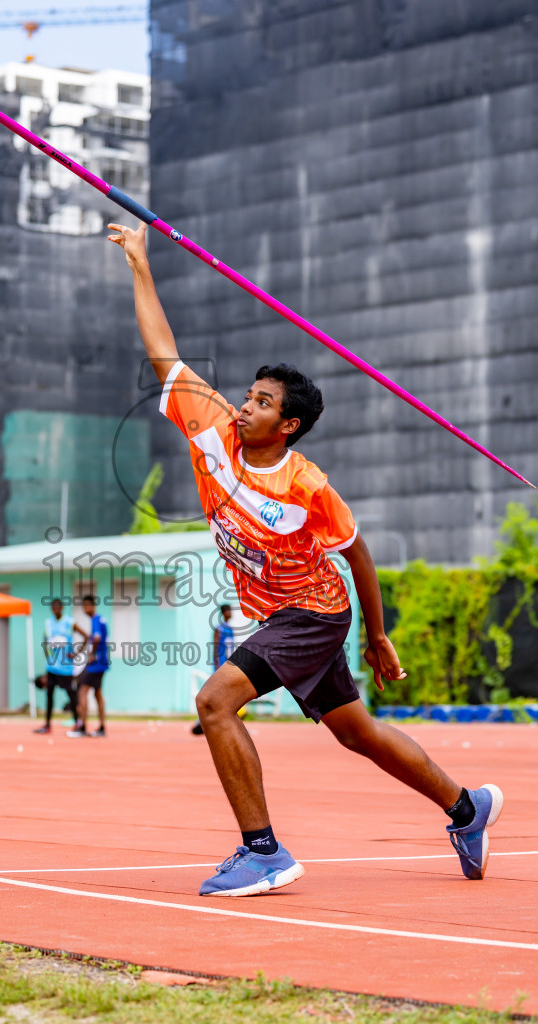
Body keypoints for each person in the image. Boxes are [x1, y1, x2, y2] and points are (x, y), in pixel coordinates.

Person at [108, 220, 503, 896]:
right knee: (357, 734)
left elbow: (358, 555)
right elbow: (161, 353)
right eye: (248, 393)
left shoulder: (307, 487)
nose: (244, 405)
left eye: (261, 402)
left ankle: (261, 851)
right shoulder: (210, 431)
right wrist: (140, 263)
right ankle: (467, 810)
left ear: (285, 426)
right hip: (284, 615)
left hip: (313, 612)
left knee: (214, 702)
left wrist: (376, 636)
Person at [34, 598, 83, 734]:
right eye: (53, 608)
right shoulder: (48, 623)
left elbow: (86, 636)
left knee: (71, 695)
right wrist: (48, 656)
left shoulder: (69, 622)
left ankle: (77, 722)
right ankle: (47, 724)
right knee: (49, 695)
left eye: (58, 607)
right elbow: (45, 640)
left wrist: (76, 653)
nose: (55, 610)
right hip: (51, 667)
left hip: (65, 667)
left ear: (61, 608)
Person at [67, 594, 109, 738]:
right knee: (97, 694)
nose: (85, 609)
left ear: (92, 606)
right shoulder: (101, 619)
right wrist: (76, 653)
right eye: (83, 606)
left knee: (82, 691)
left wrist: (92, 654)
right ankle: (102, 727)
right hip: (102, 662)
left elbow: (96, 638)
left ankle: (82, 727)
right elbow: (92, 639)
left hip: (96, 663)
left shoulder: (96, 620)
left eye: (86, 606)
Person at [192, 604, 236, 735]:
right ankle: (201, 721)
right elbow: (216, 649)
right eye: (229, 611)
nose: (231, 613)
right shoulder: (219, 629)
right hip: (220, 666)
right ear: (224, 613)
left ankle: (226, 722)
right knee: (216, 694)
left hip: (229, 666)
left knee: (228, 696)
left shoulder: (231, 629)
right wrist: (217, 666)